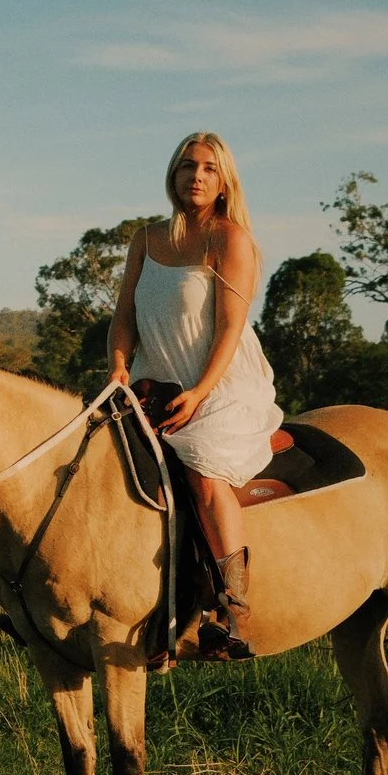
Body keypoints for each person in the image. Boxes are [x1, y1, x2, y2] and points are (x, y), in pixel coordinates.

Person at [107, 132, 284, 661]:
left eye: (209, 167)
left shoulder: (232, 241)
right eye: (188, 167)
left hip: (222, 384)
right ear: (174, 174)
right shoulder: (146, 237)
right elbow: (124, 315)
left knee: (201, 469)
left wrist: (201, 393)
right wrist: (118, 365)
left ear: (225, 177)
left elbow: (230, 329)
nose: (197, 176)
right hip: (150, 384)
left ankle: (233, 609)